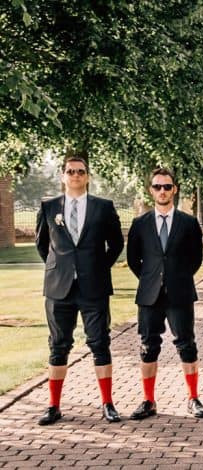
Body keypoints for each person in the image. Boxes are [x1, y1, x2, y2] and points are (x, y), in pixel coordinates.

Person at [35, 156, 124, 425]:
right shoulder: (49, 207)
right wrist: (60, 268)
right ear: (63, 176)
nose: (75, 175)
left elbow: (117, 244)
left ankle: (108, 403)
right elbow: (43, 245)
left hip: (93, 287)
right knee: (58, 346)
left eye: (80, 171)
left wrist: (97, 268)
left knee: (100, 343)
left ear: (87, 176)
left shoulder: (103, 207)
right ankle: (53, 406)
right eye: (70, 171)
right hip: (58, 288)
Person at [126, 168, 203, 420]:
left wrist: (176, 277)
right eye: (158, 187)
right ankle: (148, 400)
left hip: (180, 292)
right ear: (151, 190)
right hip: (149, 295)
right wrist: (152, 279)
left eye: (167, 187)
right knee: (148, 347)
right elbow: (133, 260)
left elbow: (195, 259)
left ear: (175, 189)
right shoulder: (140, 224)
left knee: (187, 345)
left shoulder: (188, 223)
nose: (163, 191)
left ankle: (193, 398)